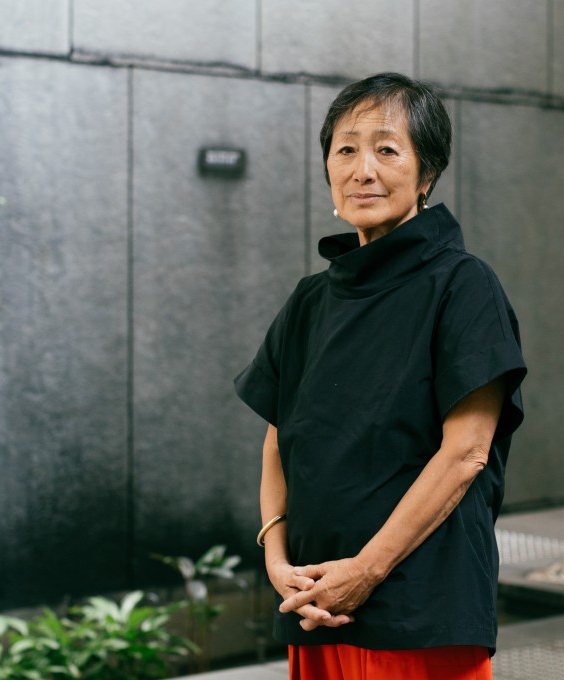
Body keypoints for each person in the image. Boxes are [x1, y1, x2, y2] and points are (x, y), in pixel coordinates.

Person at [234, 72, 527, 679]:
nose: (363, 168)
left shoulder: (463, 286)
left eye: (387, 149)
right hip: (317, 599)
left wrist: (365, 571)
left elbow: (466, 454)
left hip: (418, 604)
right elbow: (278, 436)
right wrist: (277, 557)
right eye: (346, 149)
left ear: (426, 175)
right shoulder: (311, 300)